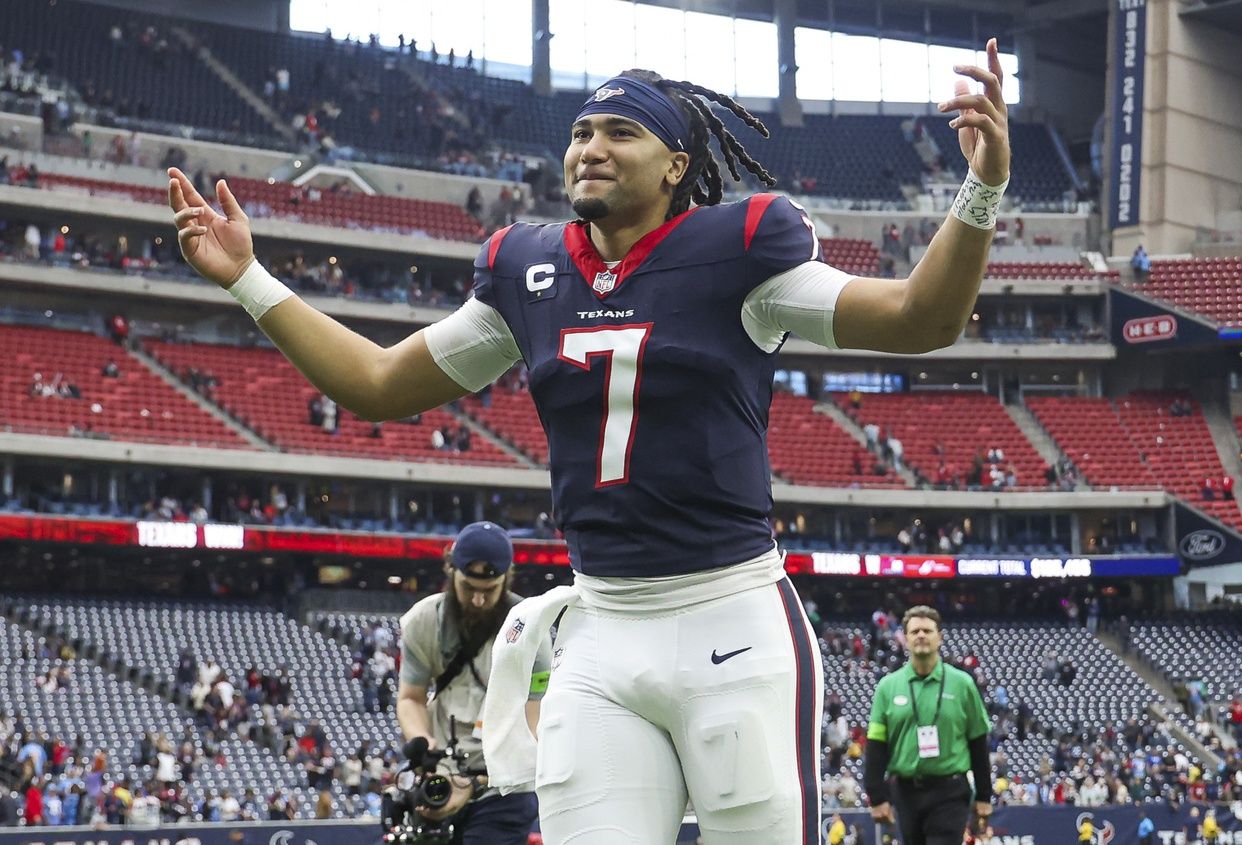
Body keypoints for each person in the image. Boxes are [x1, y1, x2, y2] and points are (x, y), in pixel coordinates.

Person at [167, 38, 1010, 843]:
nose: (591, 148)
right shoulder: (530, 273)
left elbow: (922, 317)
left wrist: (982, 187)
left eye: (621, 131)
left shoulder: (739, 250)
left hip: (733, 617)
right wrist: (247, 276)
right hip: (601, 629)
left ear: (677, 165)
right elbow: (379, 384)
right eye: (579, 132)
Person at [394, 522, 547, 843]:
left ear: (508, 577)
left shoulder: (531, 630)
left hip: (504, 785)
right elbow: (410, 698)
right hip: (442, 771)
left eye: (490, 590)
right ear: (450, 570)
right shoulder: (423, 621)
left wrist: (476, 783)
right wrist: (424, 746)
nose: (478, 600)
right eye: (468, 588)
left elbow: (534, 724)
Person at [863, 606, 993, 845]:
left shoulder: (962, 684)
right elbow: (876, 745)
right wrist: (876, 795)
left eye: (927, 630)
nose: (921, 635)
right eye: (914, 631)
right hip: (906, 791)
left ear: (939, 637)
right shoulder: (887, 687)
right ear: (905, 638)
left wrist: (984, 795)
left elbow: (978, 742)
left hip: (950, 791)